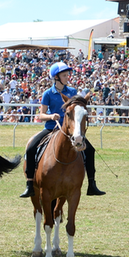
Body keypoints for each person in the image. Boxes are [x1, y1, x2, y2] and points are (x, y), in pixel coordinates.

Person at [18, 62, 105, 198]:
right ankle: (30, 184)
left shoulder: (72, 92)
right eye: (64, 75)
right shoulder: (48, 93)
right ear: (56, 77)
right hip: (51, 129)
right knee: (31, 148)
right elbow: (41, 115)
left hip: (70, 131)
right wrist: (51, 116)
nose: (67, 77)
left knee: (90, 150)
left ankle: (92, 183)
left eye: (67, 75)